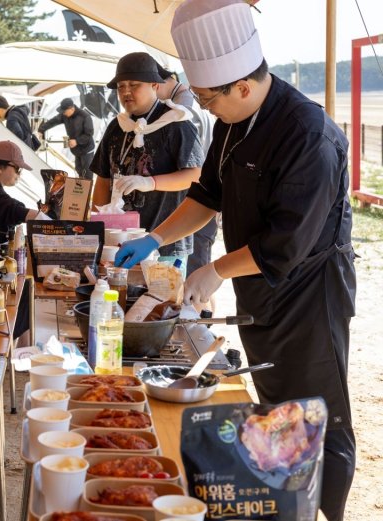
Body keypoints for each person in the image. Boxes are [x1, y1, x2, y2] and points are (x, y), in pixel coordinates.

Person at [116, 1, 355, 518]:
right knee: (273, 408)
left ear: (242, 86)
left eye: (207, 98)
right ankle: (284, 503)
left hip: (312, 294)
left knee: (318, 418)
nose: (203, 106)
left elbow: (284, 246)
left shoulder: (307, 136)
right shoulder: (232, 121)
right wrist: (156, 239)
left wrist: (213, 270)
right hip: (261, 288)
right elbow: (207, 197)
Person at [91, 51, 204, 269]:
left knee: (161, 303)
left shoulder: (176, 122)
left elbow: (195, 176)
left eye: (134, 85)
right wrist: (99, 222)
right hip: (118, 241)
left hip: (165, 244)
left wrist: (150, 183)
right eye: (121, 86)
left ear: (155, 85)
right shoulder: (117, 126)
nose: (126, 92)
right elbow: (103, 179)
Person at [155, 63, 219, 278]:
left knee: (195, 280)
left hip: (196, 204)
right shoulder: (185, 100)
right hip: (199, 201)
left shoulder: (183, 108)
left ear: (155, 84)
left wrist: (150, 182)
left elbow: (194, 170)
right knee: (197, 279)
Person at [38, 98, 96, 179]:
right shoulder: (64, 116)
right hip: (77, 151)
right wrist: (41, 129)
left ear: (72, 109)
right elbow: (53, 121)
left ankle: (88, 190)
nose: (63, 113)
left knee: (87, 174)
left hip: (87, 150)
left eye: (64, 111)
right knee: (78, 172)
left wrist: (77, 141)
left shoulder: (85, 116)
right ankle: (80, 190)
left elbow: (89, 135)